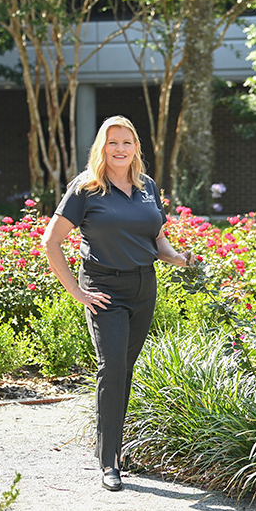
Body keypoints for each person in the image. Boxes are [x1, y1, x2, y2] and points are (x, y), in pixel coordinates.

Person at [42, 116, 194, 491]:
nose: (120, 149)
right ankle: (109, 460)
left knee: (124, 370)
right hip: (104, 288)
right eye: (113, 143)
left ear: (136, 148)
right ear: (101, 148)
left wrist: (176, 257)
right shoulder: (86, 189)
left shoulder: (147, 188)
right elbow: (51, 241)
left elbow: (156, 237)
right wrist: (77, 291)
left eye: (127, 142)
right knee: (111, 368)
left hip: (143, 287)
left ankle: (113, 448)